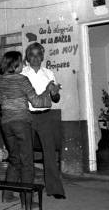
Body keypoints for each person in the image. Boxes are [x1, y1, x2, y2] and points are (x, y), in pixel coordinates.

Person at [0, 51, 54, 207]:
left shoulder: (0, 81)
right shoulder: (23, 79)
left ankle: (7, 195)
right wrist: (48, 91)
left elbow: (1, 100)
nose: (23, 65)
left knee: (15, 159)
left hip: (6, 123)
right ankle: (27, 202)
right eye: (21, 62)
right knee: (27, 163)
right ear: (15, 65)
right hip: (21, 122)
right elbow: (36, 102)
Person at [21, 42, 66, 199]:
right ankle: (27, 191)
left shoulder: (49, 73)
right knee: (26, 154)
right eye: (31, 55)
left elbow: (56, 98)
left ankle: (55, 189)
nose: (35, 58)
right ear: (27, 57)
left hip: (46, 116)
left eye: (38, 54)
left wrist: (54, 93)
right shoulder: (22, 73)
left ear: (42, 56)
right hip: (27, 116)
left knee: (50, 153)